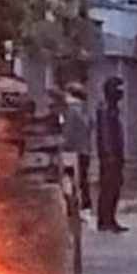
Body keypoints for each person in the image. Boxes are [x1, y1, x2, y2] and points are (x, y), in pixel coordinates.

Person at [95, 77, 127, 233]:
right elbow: (106, 133)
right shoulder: (106, 109)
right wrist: (109, 153)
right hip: (110, 156)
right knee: (109, 188)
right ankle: (105, 220)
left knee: (114, 187)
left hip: (115, 154)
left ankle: (109, 218)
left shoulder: (112, 108)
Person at [61, 82, 93, 213]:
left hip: (72, 151)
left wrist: (63, 145)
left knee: (71, 179)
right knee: (83, 179)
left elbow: (67, 132)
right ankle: (85, 206)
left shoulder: (70, 111)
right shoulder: (84, 110)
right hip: (85, 150)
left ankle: (73, 205)